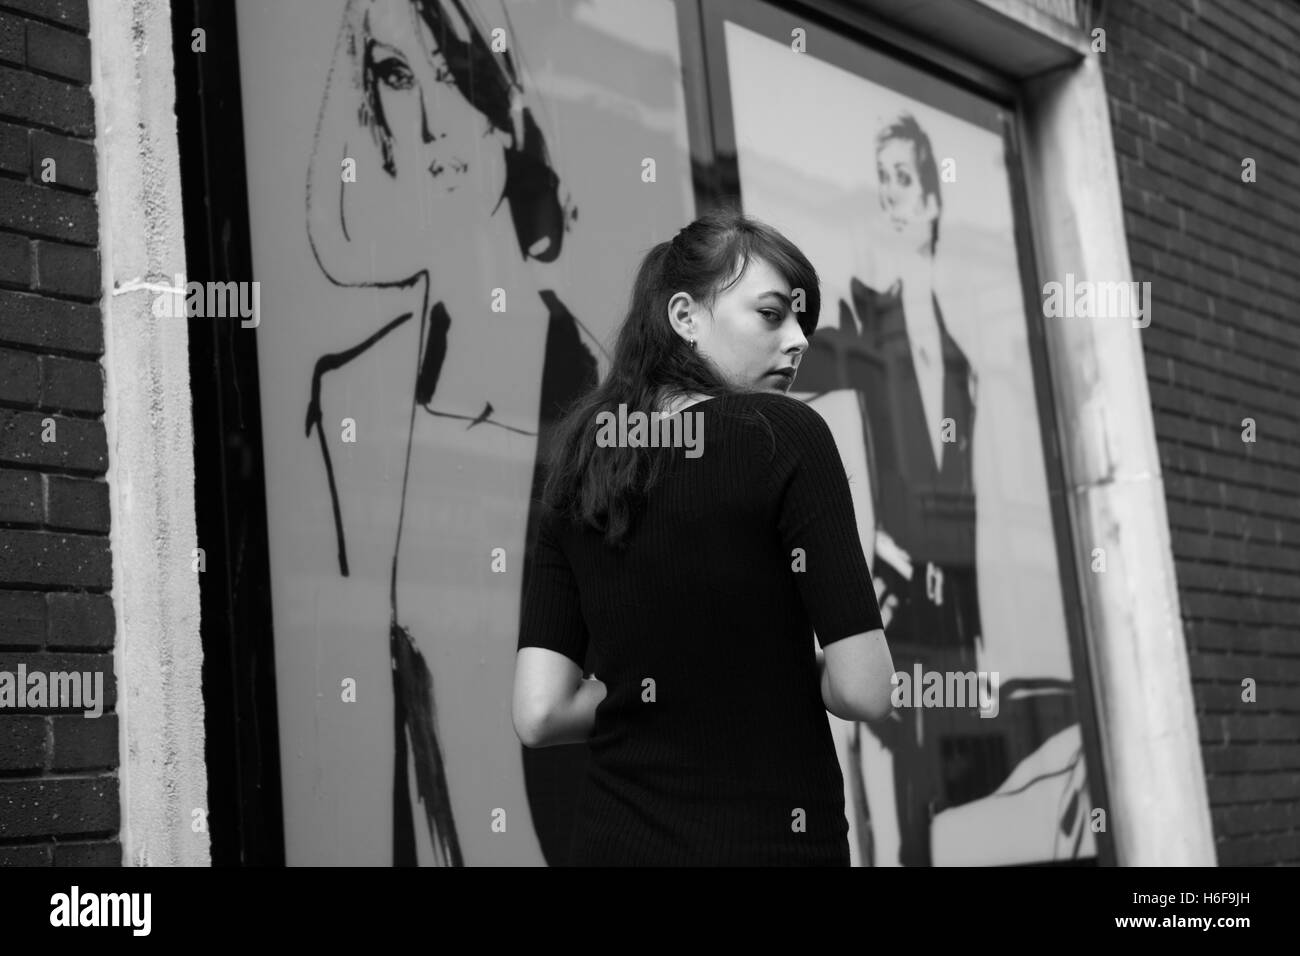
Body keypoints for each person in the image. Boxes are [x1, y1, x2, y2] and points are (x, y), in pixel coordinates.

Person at [304, 0, 596, 866]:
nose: (427, 123)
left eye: (453, 79)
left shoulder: (597, 399)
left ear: (506, 112)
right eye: (396, 77)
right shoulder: (351, 391)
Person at [512, 208, 896, 866]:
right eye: (773, 315)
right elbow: (864, 689)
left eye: (803, 320)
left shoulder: (579, 463)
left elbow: (541, 712)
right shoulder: (785, 435)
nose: (800, 338)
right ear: (686, 318)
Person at [795, 112, 982, 866]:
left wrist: (973, 627)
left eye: (903, 180)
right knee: (872, 804)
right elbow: (785, 385)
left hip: (946, 615)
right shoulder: (856, 323)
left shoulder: (962, 358)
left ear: (934, 202)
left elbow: (965, 501)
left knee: (927, 813)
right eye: (881, 184)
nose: (891, 198)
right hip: (877, 607)